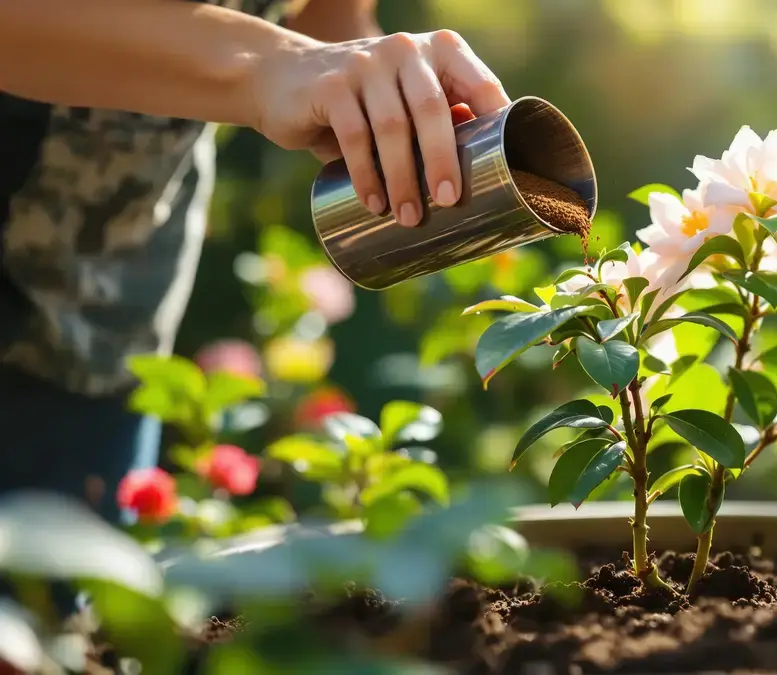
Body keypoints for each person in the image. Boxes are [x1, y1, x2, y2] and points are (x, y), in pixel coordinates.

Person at [0, 0, 511, 524]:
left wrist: (385, 91)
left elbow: (328, 18)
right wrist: (269, 64)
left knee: (66, 589)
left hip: (105, 310)